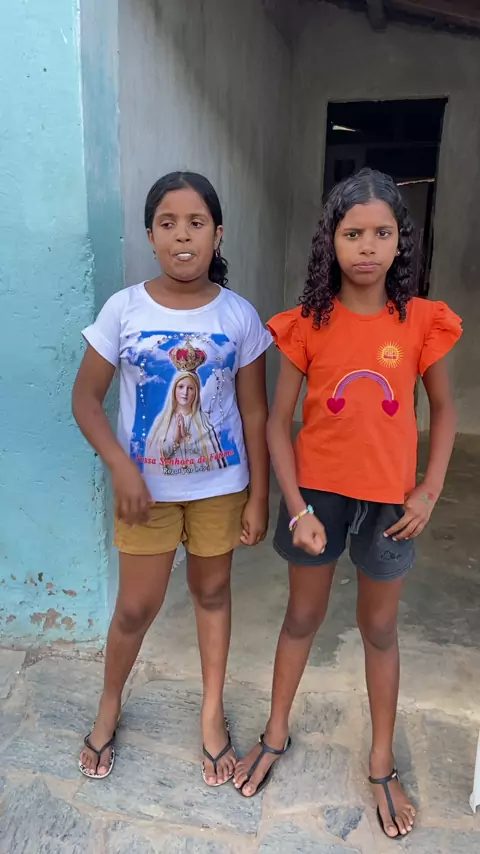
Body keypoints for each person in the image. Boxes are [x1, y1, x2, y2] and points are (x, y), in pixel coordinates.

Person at [233, 169, 462, 839]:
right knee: (302, 616)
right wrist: (296, 507)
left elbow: (445, 410)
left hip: (391, 505)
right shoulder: (308, 323)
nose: (367, 247)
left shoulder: (421, 321)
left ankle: (381, 761)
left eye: (382, 233)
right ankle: (276, 732)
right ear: (329, 241)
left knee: (380, 629)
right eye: (352, 233)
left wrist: (429, 490)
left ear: (400, 242)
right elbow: (279, 425)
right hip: (317, 499)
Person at [73, 171, 271, 785]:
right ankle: (110, 703)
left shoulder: (238, 315)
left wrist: (259, 495)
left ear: (218, 234)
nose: (182, 236)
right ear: (150, 235)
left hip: (219, 490)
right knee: (136, 607)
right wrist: (121, 466)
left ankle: (211, 712)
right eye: (168, 223)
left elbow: (255, 412)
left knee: (212, 595)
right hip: (147, 495)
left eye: (196, 223)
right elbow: (86, 398)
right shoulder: (124, 309)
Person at [145, 370, 227, 472]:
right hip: (171, 478)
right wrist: (175, 440)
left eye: (190, 388)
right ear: (173, 390)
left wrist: (188, 438)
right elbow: (155, 456)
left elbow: (211, 455)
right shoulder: (162, 421)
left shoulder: (202, 421)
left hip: (200, 476)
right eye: (181, 387)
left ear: (196, 392)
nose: (185, 392)